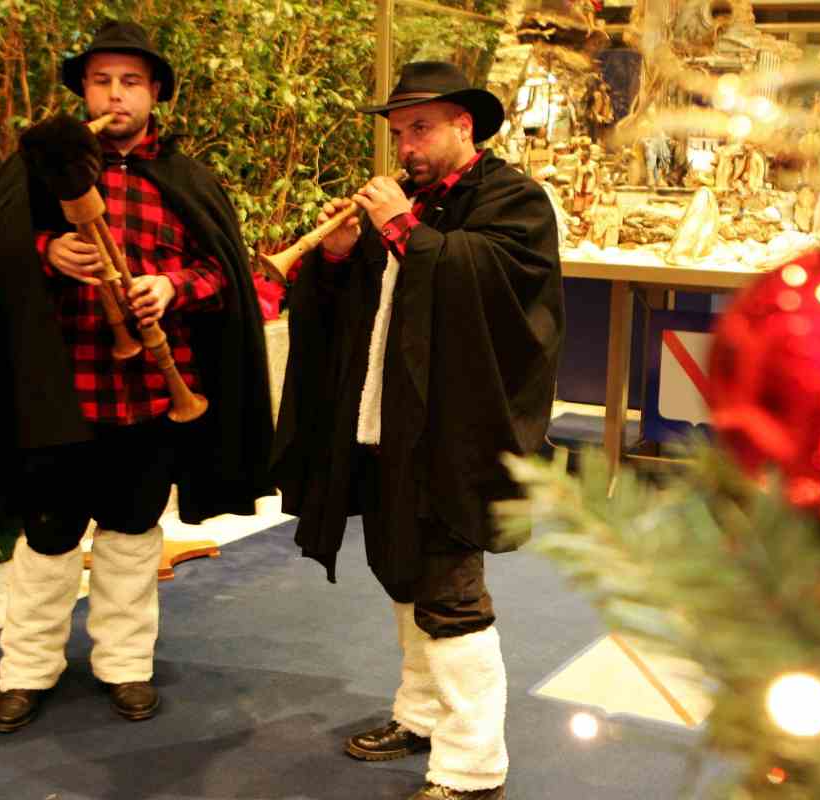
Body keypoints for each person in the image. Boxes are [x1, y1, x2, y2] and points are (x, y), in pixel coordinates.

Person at [0, 20, 274, 733]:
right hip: (58, 397)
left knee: (131, 535)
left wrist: (171, 287)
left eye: (131, 82)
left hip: (153, 396)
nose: (116, 95)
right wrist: (46, 250)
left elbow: (226, 274)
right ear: (85, 90)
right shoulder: (33, 177)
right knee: (48, 535)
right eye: (102, 81)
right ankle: (28, 670)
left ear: (155, 93)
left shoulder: (187, 179)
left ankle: (124, 664)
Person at [271, 61, 564, 800]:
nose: (407, 144)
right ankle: (423, 714)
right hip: (388, 422)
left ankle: (472, 767)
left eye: (422, 128)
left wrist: (399, 226)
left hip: (458, 432)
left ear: (465, 125)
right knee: (403, 574)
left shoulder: (514, 198)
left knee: (450, 591)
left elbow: (493, 287)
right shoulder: (411, 204)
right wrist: (334, 262)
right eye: (399, 132)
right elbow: (367, 310)